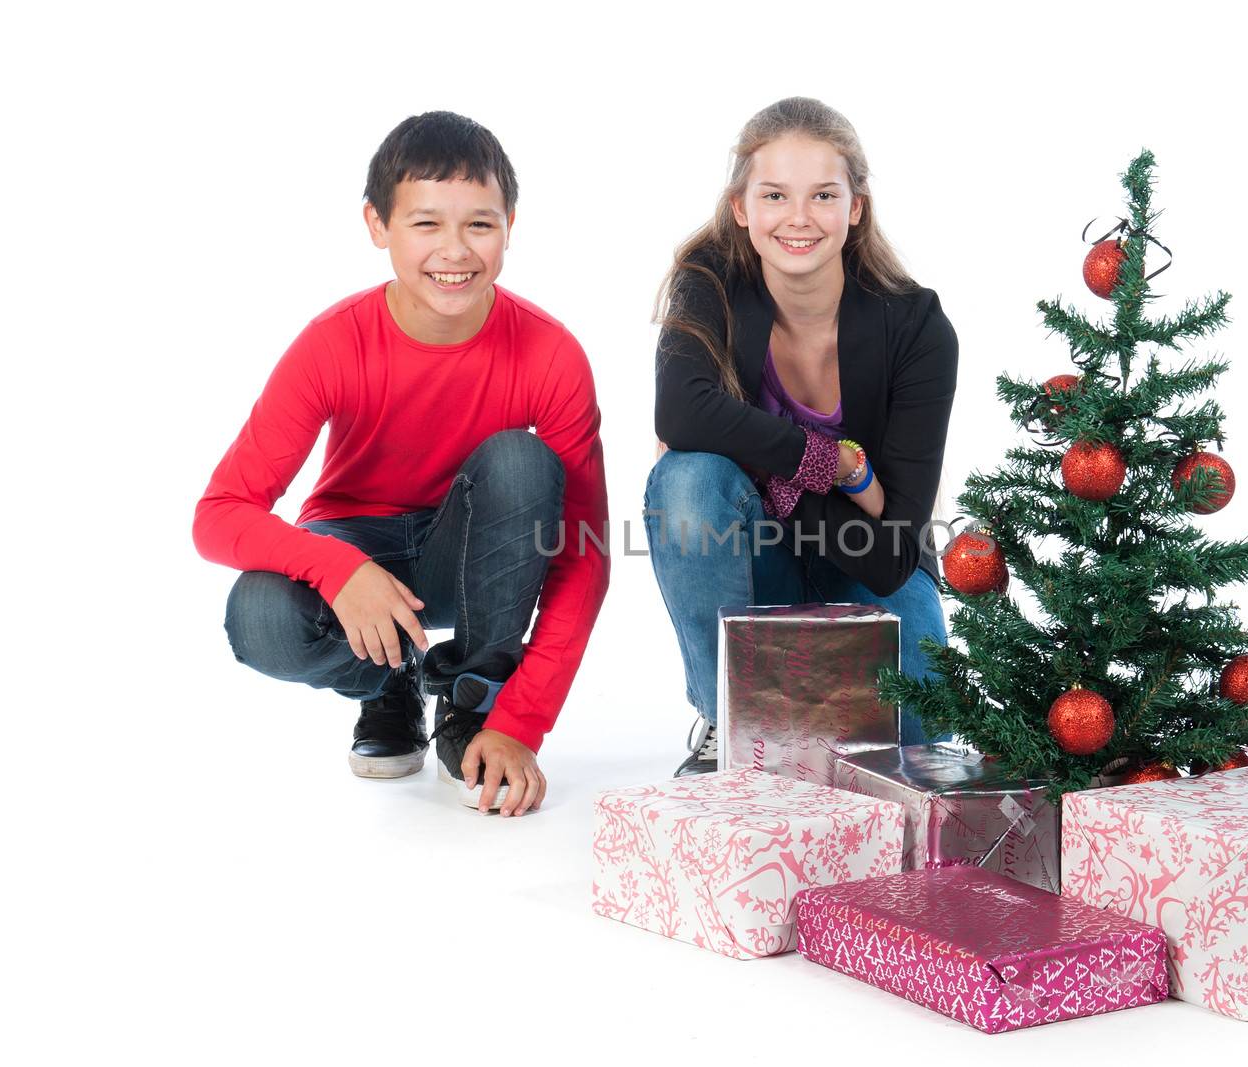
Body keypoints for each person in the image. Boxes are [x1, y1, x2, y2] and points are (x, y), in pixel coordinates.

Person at [194, 112, 609, 815]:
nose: (455, 250)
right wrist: (340, 568)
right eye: (425, 224)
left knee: (521, 461)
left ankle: (471, 703)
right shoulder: (332, 342)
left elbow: (584, 556)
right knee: (260, 612)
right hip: (357, 547)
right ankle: (391, 682)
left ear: (510, 222)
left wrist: (521, 720)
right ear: (377, 224)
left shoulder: (551, 353)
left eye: (479, 224)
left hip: (474, 554)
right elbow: (220, 513)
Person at [647, 97, 958, 777]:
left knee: (922, 739)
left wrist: (773, 476)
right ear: (742, 207)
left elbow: (888, 550)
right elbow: (680, 416)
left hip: (867, 562)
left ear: (854, 207)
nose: (798, 217)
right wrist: (824, 462)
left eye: (823, 194)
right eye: (775, 195)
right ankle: (727, 717)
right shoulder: (711, 285)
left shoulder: (917, 326)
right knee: (689, 481)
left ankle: (807, 730)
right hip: (755, 555)